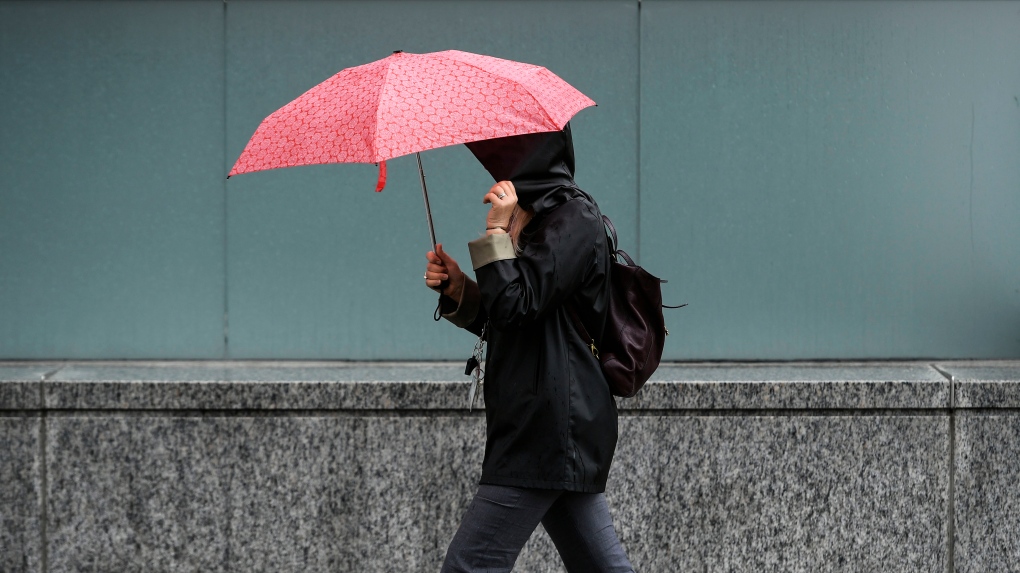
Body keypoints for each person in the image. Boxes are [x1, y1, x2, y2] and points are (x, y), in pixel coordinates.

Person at [423, 124, 634, 572]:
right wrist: (460, 288)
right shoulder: (538, 218)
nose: (496, 163)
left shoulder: (573, 218)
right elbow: (513, 319)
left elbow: (519, 306)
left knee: (468, 566)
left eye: (505, 150)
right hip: (544, 420)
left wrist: (497, 234)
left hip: (549, 423)